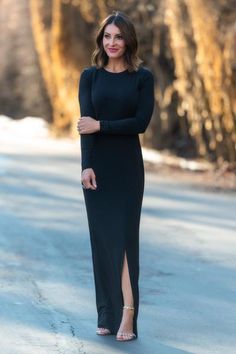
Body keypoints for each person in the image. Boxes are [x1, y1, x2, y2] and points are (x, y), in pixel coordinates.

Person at [77, 11, 154, 342]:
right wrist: (86, 165)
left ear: (128, 40)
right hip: (98, 168)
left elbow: (140, 123)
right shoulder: (89, 77)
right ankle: (105, 313)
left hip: (127, 169)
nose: (112, 43)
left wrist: (102, 125)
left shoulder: (142, 78)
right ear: (101, 40)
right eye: (107, 36)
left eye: (118, 37)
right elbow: (85, 126)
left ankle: (128, 315)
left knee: (123, 240)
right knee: (101, 241)